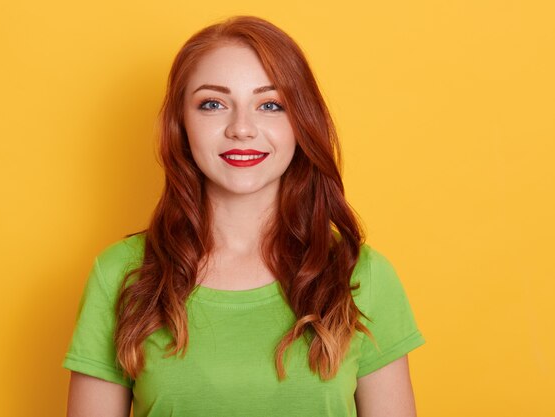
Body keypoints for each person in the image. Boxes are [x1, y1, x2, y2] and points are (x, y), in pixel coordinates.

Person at [63, 15, 425, 417]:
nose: (242, 128)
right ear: (180, 124)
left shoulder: (362, 275)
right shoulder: (120, 274)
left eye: (270, 104)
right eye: (213, 104)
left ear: (301, 122)